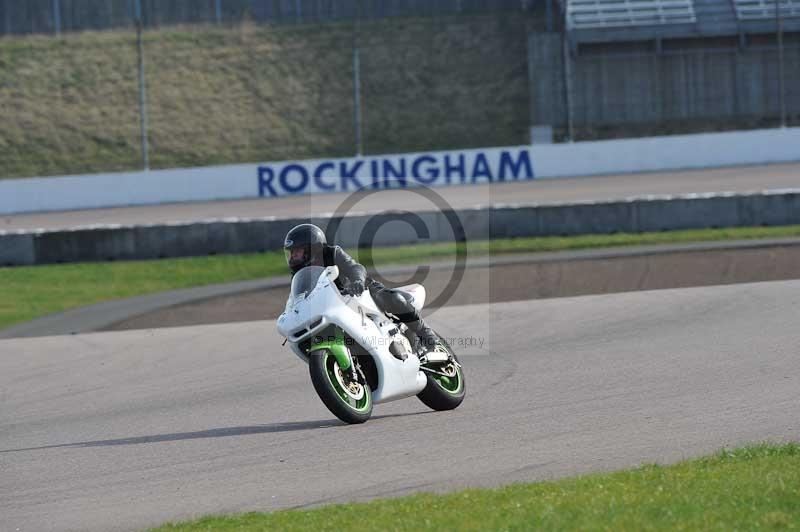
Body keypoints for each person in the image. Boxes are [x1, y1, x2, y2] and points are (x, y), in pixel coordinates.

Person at [283, 223, 439, 351]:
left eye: (297, 251)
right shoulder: (299, 273)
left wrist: (357, 281)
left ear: (312, 248)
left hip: (361, 292)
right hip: (335, 307)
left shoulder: (332, 253)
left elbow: (355, 267)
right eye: (291, 252)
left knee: (391, 298)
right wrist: (292, 314)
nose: (292, 256)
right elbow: (297, 298)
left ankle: (427, 335)